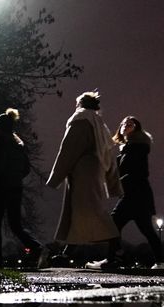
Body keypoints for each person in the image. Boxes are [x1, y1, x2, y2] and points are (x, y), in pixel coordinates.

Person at [46, 91, 122, 266]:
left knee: (89, 211)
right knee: (81, 212)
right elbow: (108, 153)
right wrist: (113, 183)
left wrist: (56, 176)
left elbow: (68, 149)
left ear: (80, 104)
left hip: (82, 173)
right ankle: (68, 252)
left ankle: (114, 249)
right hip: (94, 172)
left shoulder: (80, 120)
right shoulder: (100, 124)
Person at [88, 116, 164, 270]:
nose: (125, 126)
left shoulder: (137, 146)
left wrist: (118, 181)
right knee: (146, 230)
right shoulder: (128, 147)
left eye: (130, 124)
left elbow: (137, 172)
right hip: (137, 194)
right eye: (123, 123)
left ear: (136, 128)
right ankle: (159, 262)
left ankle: (114, 258)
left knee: (113, 223)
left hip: (134, 194)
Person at [0, 108, 47, 268]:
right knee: (15, 224)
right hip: (15, 188)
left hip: (1, 187)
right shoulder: (18, 145)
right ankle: (36, 246)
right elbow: (26, 168)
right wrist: (15, 178)